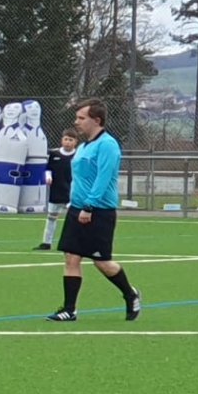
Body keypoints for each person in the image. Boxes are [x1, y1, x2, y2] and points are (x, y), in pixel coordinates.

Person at [45, 100, 142, 322]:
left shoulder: (108, 145)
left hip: (98, 211)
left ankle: (130, 294)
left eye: (81, 118)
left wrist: (89, 205)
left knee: (102, 262)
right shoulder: (83, 147)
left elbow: (103, 178)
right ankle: (69, 309)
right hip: (76, 209)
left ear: (96, 120)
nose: (76, 122)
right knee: (71, 257)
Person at [34, 130, 78, 250]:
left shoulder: (78, 155)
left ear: (75, 142)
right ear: (62, 140)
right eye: (66, 139)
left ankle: (74, 243)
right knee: (51, 217)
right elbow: (48, 169)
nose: (68, 142)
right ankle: (46, 242)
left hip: (72, 192)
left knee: (74, 218)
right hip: (56, 191)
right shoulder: (54, 154)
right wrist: (48, 177)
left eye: (71, 140)